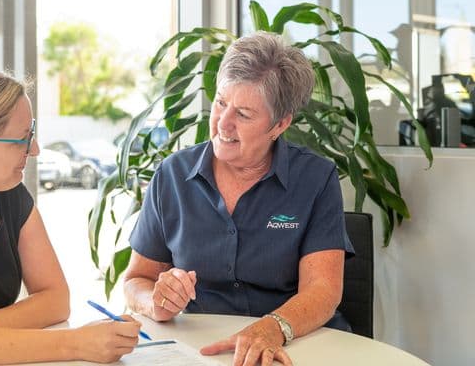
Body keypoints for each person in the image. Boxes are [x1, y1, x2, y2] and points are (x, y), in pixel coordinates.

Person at [124, 32, 354, 366]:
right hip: (202, 350)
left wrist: (271, 328)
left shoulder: (315, 178)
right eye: (220, 103)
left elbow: (323, 290)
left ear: (279, 124)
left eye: (244, 114)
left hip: (292, 345)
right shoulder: (173, 175)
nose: (223, 123)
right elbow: (135, 281)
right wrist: (155, 301)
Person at [0, 66, 140, 365]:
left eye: (33, 134)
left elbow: (55, 300)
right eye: (22, 140)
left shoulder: (11, 196)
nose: (36, 149)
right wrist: (74, 344)